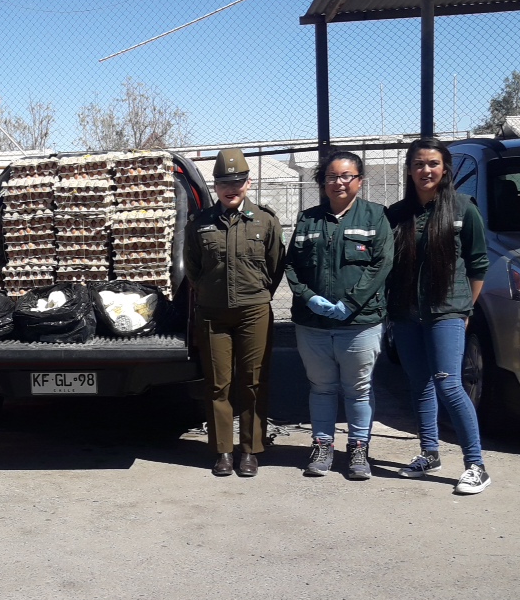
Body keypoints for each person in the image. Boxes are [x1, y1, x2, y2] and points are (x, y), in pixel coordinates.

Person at [386, 138, 492, 494]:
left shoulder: (464, 209)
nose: (425, 171)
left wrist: (465, 309)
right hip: (406, 313)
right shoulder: (398, 214)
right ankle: (429, 453)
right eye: (418, 164)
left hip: (447, 310)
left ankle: (476, 464)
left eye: (432, 164)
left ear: (445, 168)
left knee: (448, 383)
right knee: (420, 385)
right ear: (409, 169)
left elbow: (478, 264)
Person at [284, 150, 393, 480]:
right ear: (322, 181)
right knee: (321, 388)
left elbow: (381, 263)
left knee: (358, 389)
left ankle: (359, 449)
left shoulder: (375, 217)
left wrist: (351, 302)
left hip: (359, 324)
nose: (339, 183)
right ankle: (322, 446)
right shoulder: (308, 219)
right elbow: (291, 265)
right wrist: (308, 298)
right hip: (313, 324)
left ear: (360, 181)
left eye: (347, 176)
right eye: (332, 176)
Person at [184, 149, 285, 478]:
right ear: (215, 185)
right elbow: (193, 268)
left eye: (238, 181)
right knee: (218, 385)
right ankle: (223, 451)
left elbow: (275, 266)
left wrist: (257, 294)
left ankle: (250, 451)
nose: (232, 188)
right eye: (225, 182)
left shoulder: (266, 221)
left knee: (253, 382)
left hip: (253, 312)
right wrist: (210, 292)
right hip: (213, 315)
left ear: (248, 183)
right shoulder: (200, 224)